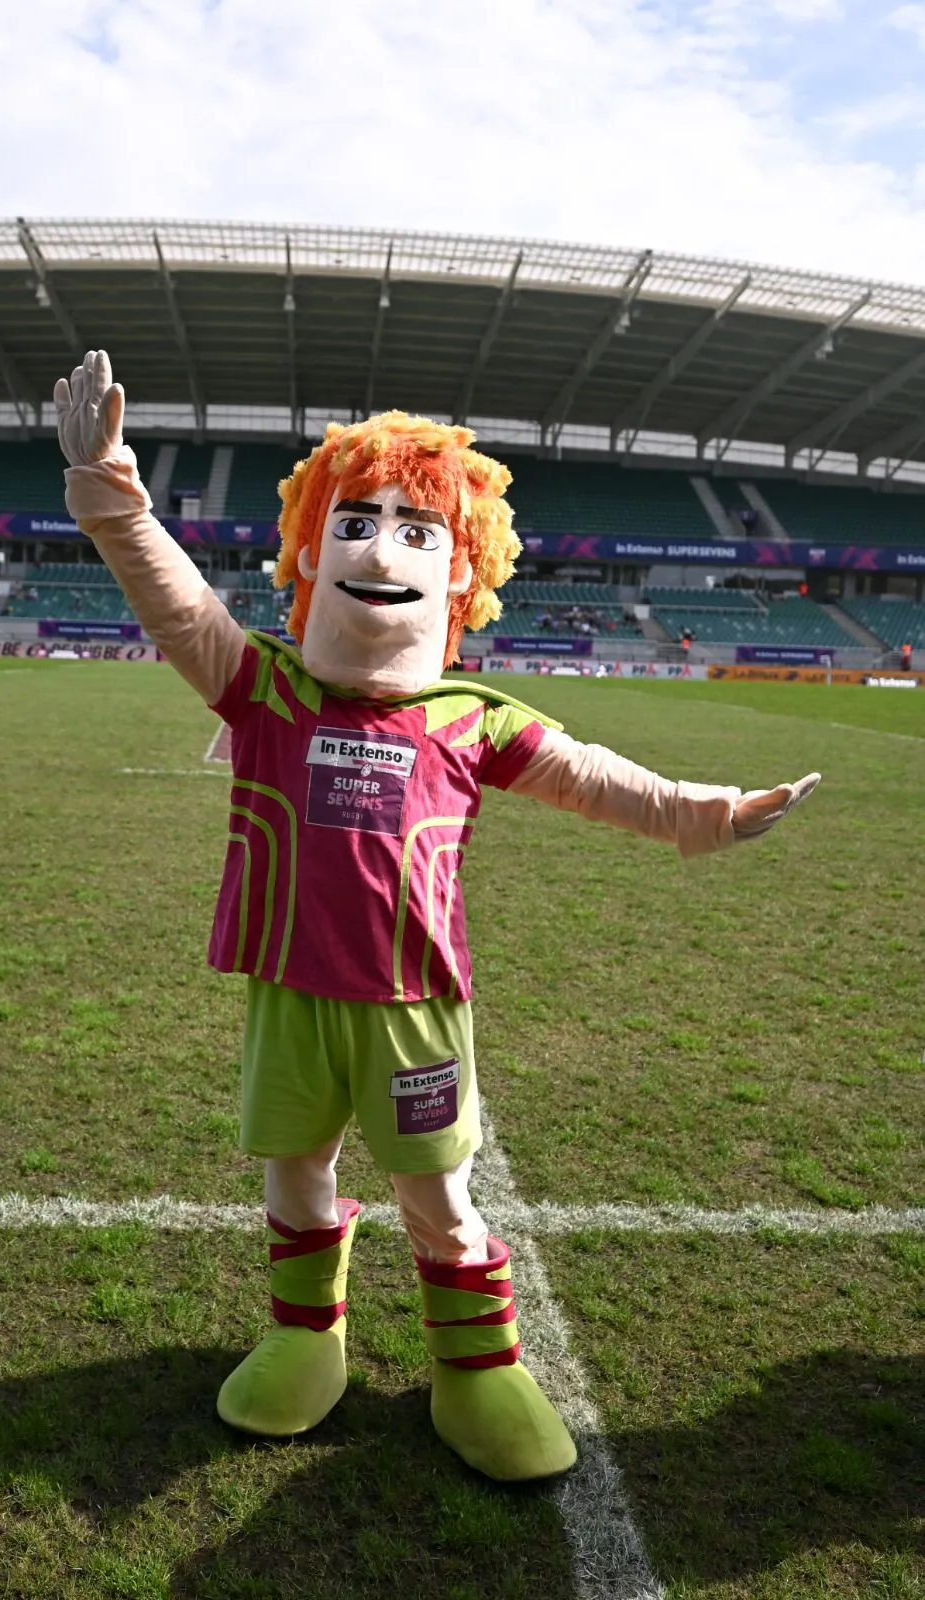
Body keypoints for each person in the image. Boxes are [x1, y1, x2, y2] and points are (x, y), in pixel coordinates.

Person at [54, 349, 820, 1484]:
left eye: (417, 530)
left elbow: (591, 775)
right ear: (309, 551)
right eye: (356, 522)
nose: (380, 549)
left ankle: (477, 1366)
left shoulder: (472, 717)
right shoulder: (262, 687)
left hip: (413, 1007)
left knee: (439, 1195)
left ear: (460, 572)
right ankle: (306, 1336)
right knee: (294, 1176)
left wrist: (704, 811)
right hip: (289, 993)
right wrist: (111, 491)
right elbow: (177, 605)